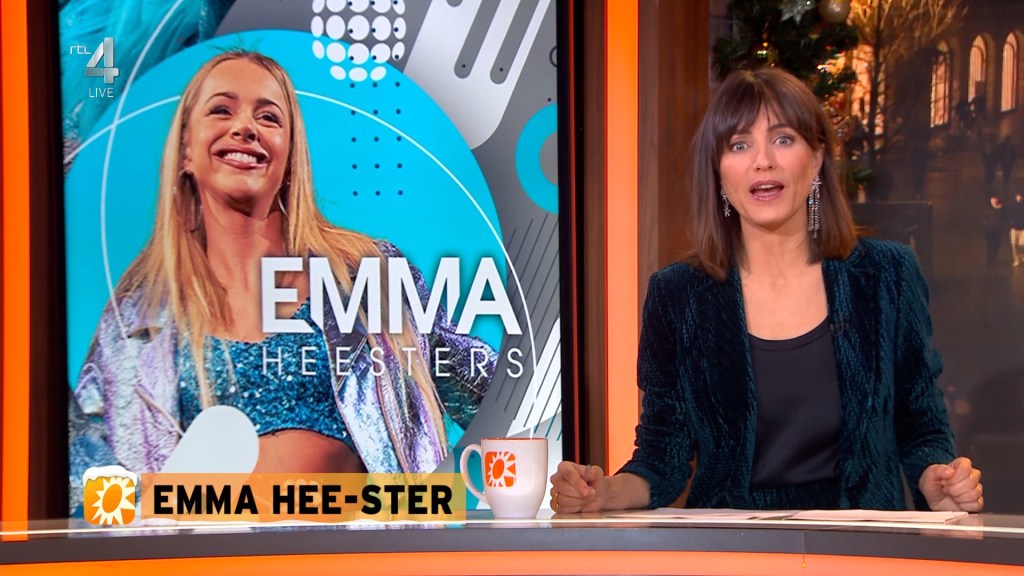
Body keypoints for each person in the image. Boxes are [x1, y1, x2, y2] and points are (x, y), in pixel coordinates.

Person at [69, 50, 495, 511]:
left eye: (268, 117)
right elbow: (81, 477)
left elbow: (489, 388)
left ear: (291, 157)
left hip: (355, 547)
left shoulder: (367, 277)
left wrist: (547, 475)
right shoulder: (135, 319)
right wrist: (150, 498)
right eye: (221, 110)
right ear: (186, 150)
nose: (244, 127)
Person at [550, 68, 983, 513]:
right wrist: (603, 493)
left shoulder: (886, 274)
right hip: (732, 543)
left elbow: (921, 419)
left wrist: (936, 478)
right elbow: (663, 456)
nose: (763, 161)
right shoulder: (678, 294)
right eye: (739, 145)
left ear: (817, 158)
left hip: (859, 541)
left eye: (783, 139)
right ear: (719, 171)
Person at [1007, 192, 1024, 267]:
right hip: (1014, 228)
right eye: (1017, 196)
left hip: (1022, 229)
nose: (1018, 197)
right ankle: (1016, 259)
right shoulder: (1012, 205)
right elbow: (1009, 215)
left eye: (1020, 196)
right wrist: (1011, 224)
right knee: (1014, 245)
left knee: (1021, 244)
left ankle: (1022, 255)